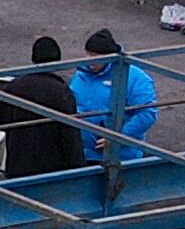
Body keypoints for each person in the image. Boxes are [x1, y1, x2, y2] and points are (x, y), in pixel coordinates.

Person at [0, 37, 86, 177]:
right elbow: (70, 137)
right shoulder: (62, 93)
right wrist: (79, 169)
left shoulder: (15, 86)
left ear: (33, 58)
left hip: (17, 165)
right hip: (51, 170)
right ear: (57, 61)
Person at [68, 29, 159, 157]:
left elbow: (147, 113)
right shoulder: (80, 75)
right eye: (88, 54)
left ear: (108, 56)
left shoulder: (134, 77)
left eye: (95, 56)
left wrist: (118, 137)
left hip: (120, 155)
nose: (89, 60)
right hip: (83, 153)